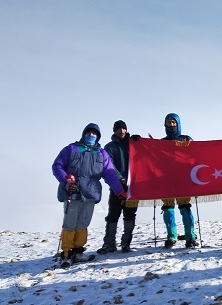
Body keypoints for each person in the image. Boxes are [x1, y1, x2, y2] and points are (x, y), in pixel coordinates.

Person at [52, 123, 126, 268]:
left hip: (91, 193)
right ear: (84, 133)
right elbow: (57, 166)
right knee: (70, 223)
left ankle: (78, 252)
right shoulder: (71, 149)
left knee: (83, 223)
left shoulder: (101, 153)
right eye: (89, 133)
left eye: (94, 134)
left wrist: (119, 191)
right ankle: (67, 253)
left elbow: (110, 173)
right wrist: (65, 181)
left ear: (98, 136)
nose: (91, 136)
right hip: (72, 191)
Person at [134, 113, 198, 249]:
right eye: (169, 122)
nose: (172, 125)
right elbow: (147, 156)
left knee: (185, 207)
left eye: (174, 122)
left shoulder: (186, 139)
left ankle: (190, 237)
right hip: (165, 179)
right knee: (168, 208)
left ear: (178, 124)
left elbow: (196, 154)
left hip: (183, 178)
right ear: (165, 125)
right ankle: (171, 236)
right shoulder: (161, 143)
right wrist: (139, 143)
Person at [97, 120, 137, 254]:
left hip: (133, 187)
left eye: (123, 128)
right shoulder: (109, 147)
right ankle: (109, 244)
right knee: (113, 215)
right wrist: (120, 179)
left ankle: (126, 243)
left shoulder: (133, 145)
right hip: (116, 187)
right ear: (114, 131)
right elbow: (110, 165)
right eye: (119, 129)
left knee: (130, 215)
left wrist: (140, 142)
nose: (122, 131)